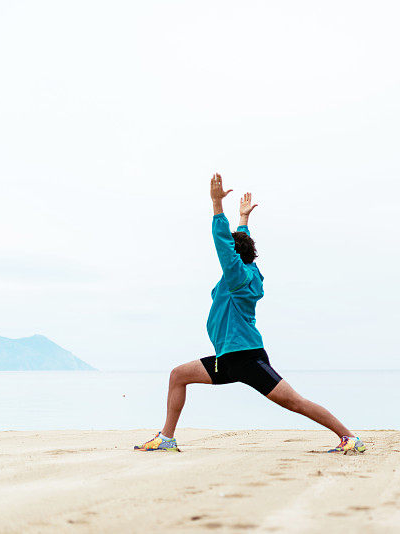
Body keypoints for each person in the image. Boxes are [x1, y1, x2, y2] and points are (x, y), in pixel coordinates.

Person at [135, 174, 365, 453]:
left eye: (231, 253)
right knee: (178, 375)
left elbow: (224, 243)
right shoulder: (250, 272)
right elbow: (240, 248)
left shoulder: (237, 277)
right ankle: (167, 438)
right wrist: (243, 220)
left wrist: (217, 204)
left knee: (295, 402)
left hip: (245, 357)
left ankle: (348, 437)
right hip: (227, 358)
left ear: (234, 256)